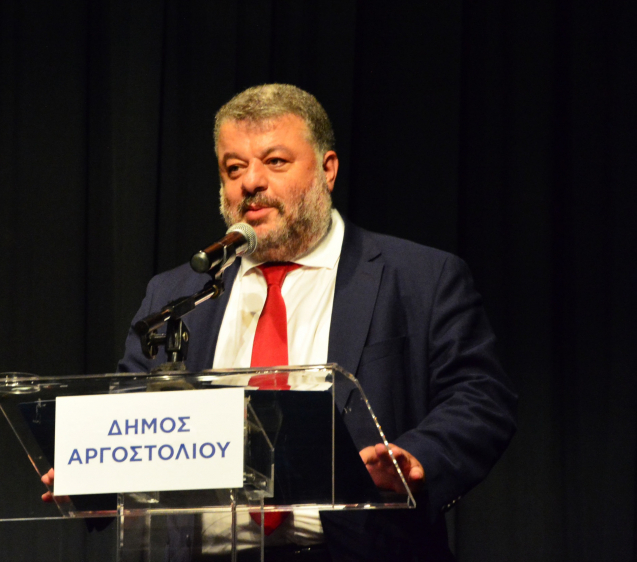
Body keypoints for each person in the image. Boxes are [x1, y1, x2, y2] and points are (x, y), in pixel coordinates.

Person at [111, 84, 518, 561]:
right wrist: (88, 474)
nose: (251, 182)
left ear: (327, 169)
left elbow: (480, 397)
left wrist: (418, 458)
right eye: (234, 168)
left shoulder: (418, 277)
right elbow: (127, 417)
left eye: (275, 161)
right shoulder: (177, 296)